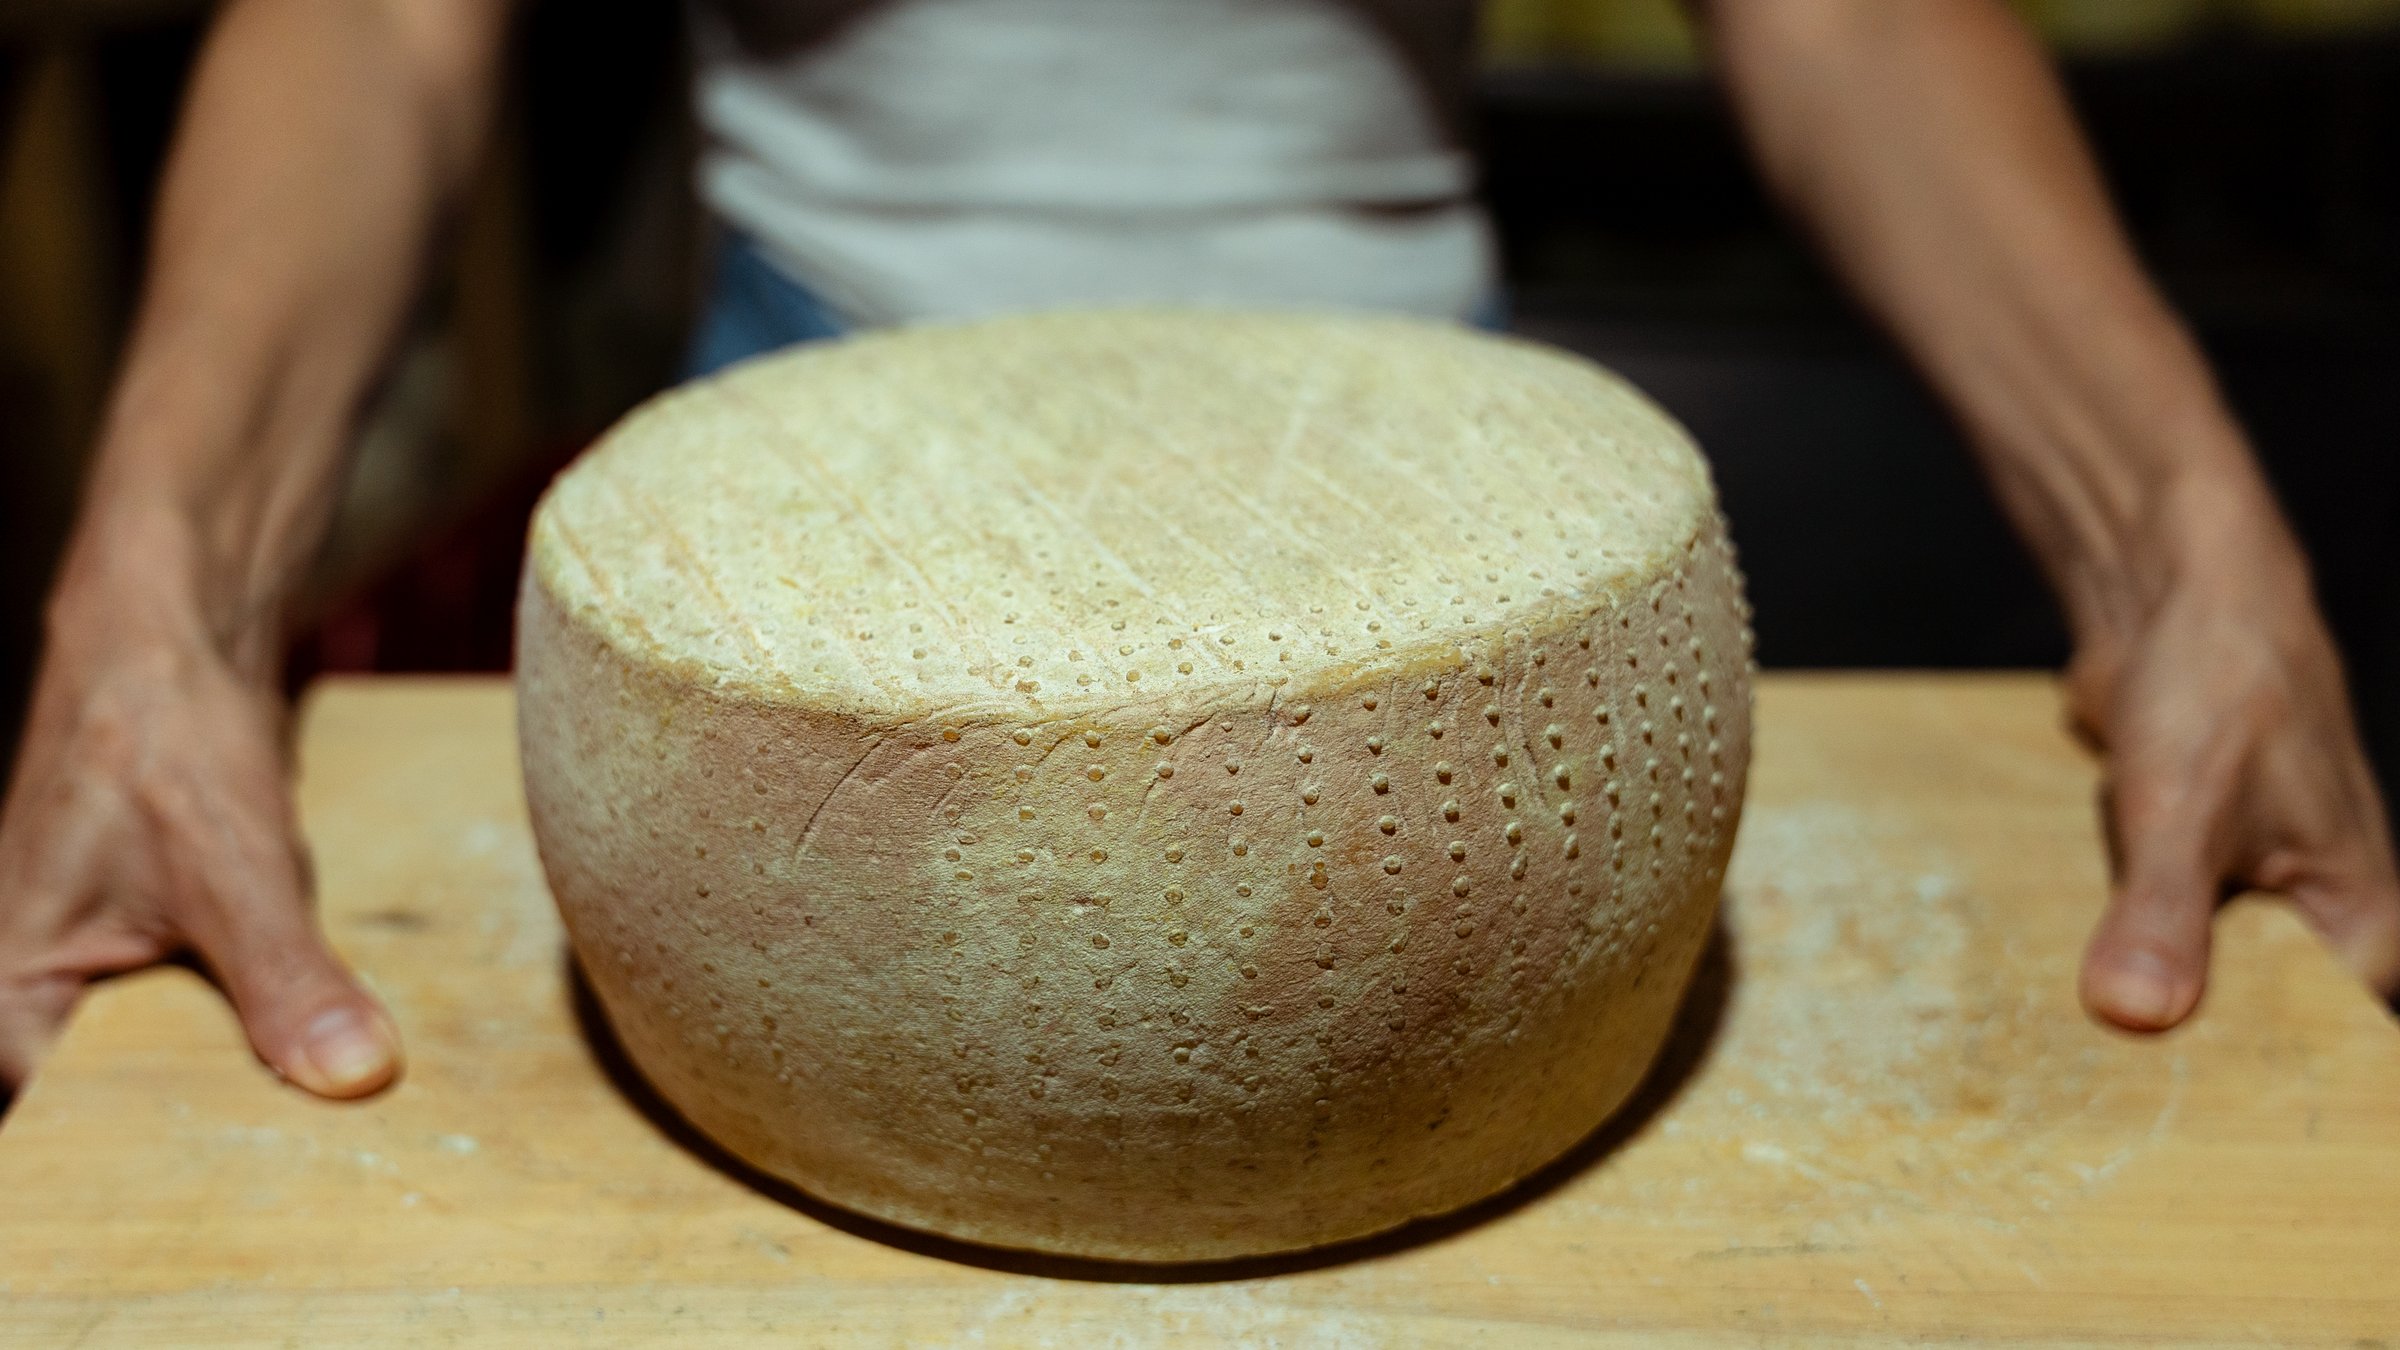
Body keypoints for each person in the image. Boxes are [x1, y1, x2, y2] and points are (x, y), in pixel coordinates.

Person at [2, 0, 2393, 1102]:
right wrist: (160, 593)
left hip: (1440, 495)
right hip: (795, 487)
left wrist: (2175, 533)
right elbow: (381, 27)